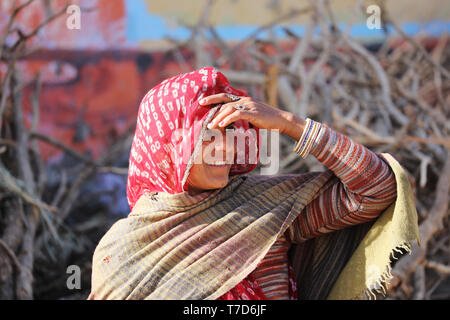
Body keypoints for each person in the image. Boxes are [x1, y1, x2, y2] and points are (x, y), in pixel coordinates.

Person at [88, 67, 401, 300]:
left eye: (231, 133)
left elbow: (377, 189)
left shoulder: (264, 211)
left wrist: (289, 123)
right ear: (167, 148)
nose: (226, 147)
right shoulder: (121, 252)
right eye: (209, 135)